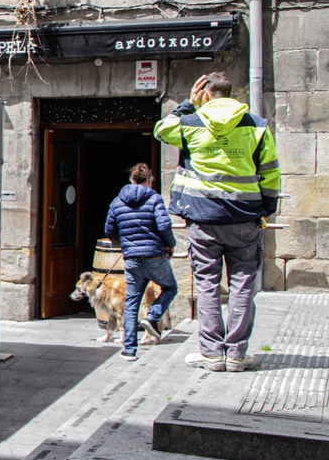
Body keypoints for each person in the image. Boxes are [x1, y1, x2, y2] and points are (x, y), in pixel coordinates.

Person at [155, 72, 280, 372]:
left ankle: (211, 353)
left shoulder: (190, 122)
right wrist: (266, 209)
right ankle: (236, 354)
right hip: (245, 217)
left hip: (203, 218)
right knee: (243, 284)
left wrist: (187, 104)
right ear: (230, 93)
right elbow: (270, 172)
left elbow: (161, 130)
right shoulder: (257, 125)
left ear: (206, 93)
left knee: (207, 284)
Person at [104, 163, 178, 361]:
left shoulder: (117, 201)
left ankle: (129, 349)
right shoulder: (154, 198)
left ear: (131, 180)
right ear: (150, 180)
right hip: (155, 256)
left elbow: (110, 230)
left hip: (132, 260)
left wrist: (124, 245)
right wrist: (170, 244)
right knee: (170, 288)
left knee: (131, 302)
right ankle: (152, 316)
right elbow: (164, 226)